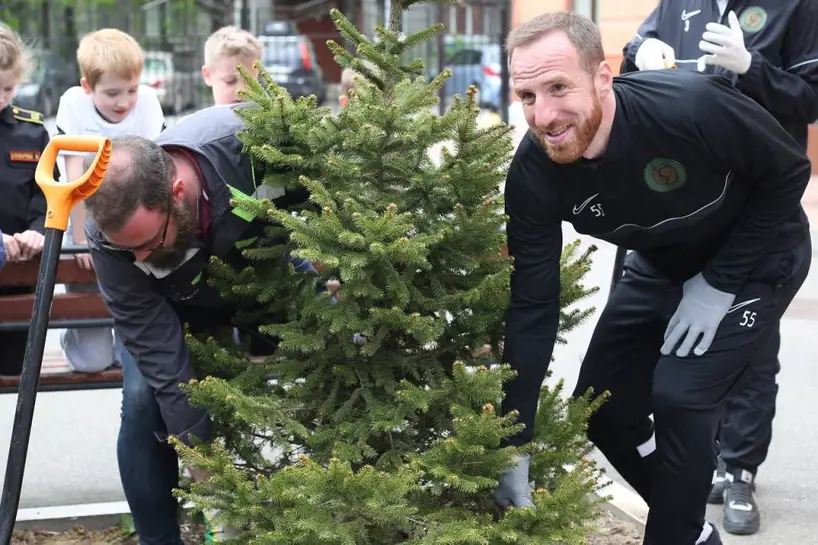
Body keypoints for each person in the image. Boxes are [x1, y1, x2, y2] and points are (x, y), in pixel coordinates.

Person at [492, 11, 812, 545]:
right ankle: (691, 526)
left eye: (557, 87)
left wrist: (720, 283)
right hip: (661, 261)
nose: (543, 115)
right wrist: (513, 441)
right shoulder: (533, 173)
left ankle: (677, 533)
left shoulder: (692, 106)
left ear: (602, 78)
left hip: (759, 255)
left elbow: (788, 173)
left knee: (681, 396)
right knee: (603, 408)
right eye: (527, 96)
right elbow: (533, 304)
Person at [619, 1, 818, 535]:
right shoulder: (680, 1)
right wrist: (642, 53)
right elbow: (632, 51)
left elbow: (811, 96)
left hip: (757, 205)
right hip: (682, 198)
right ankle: (696, 463)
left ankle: (740, 472)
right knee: (683, 352)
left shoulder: (796, 6)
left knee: (750, 352)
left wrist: (751, 68)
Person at [81, 103, 315, 544]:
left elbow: (336, 185)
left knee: (339, 349)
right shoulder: (110, 233)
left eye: (149, 243)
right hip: (176, 309)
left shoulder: (250, 141)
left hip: (265, 283)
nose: (141, 260)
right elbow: (158, 353)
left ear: (177, 190)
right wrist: (210, 481)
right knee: (143, 396)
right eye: (130, 251)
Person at [55, 28, 165, 373]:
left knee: (131, 352)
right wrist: (81, 241)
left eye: (131, 90)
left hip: (132, 223)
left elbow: (156, 171)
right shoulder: (74, 104)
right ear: (88, 87)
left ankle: (125, 335)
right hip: (85, 218)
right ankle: (82, 337)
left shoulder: (146, 102)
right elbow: (74, 177)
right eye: (112, 93)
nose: (124, 102)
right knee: (93, 363)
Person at [0, 23, 51, 376]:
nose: (1, 98)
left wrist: (38, 229)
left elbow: (47, 190)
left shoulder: (31, 131)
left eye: (7, 88)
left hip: (21, 272)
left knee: (13, 368)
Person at [201, 25, 262, 106]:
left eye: (250, 82)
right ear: (207, 75)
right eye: (230, 81)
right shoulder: (200, 118)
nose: (242, 90)